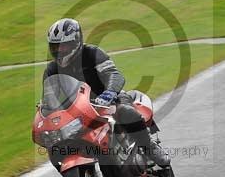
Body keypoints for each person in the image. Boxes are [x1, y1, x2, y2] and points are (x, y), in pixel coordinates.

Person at [43, 18, 171, 168]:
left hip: (110, 99)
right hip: (79, 111)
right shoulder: (52, 69)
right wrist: (47, 112)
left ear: (76, 41)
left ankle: (149, 148)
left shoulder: (92, 53)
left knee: (127, 112)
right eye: (55, 47)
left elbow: (113, 74)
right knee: (56, 142)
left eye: (64, 46)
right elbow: (49, 98)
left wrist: (109, 93)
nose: (59, 51)